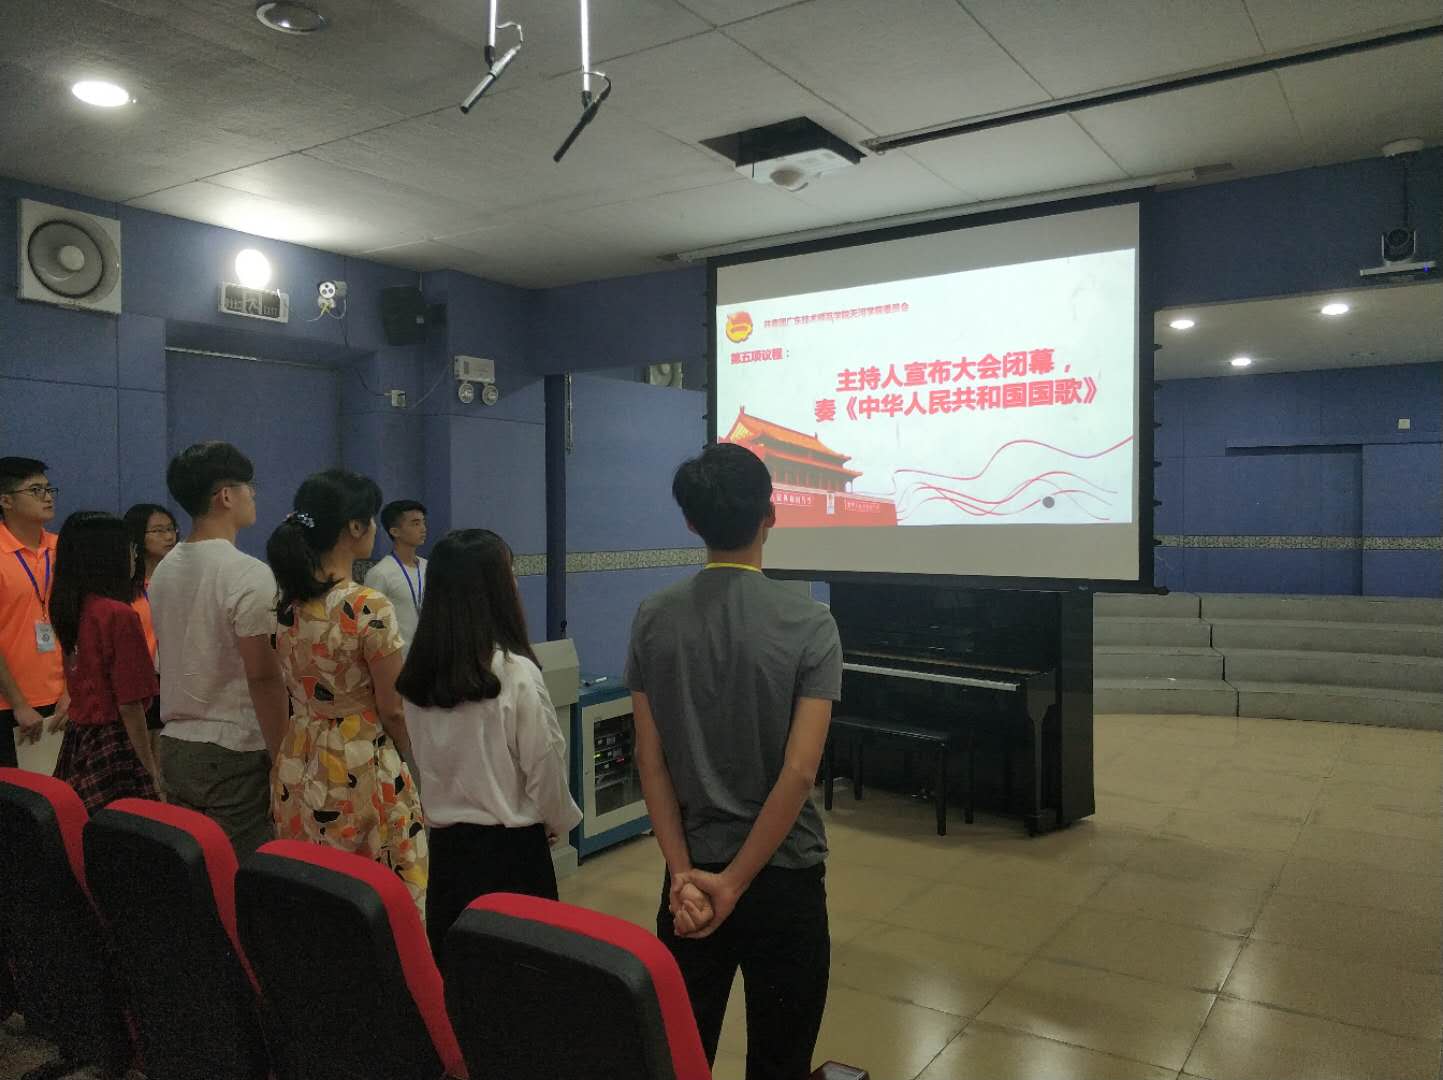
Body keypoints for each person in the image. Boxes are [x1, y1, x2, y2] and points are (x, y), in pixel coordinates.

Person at [625, 442, 841, 1080]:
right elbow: (799, 773)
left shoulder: (652, 618)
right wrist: (738, 883)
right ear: (770, 514)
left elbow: (650, 761)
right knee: (780, 1057)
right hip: (785, 877)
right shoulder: (812, 624)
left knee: (681, 1058)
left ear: (691, 523)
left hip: (690, 882)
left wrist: (683, 875)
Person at [398, 529, 581, 960]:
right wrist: (555, 818)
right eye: (510, 574)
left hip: (446, 858)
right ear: (495, 590)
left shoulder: (417, 676)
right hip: (511, 857)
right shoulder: (515, 673)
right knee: (523, 980)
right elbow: (544, 765)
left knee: (459, 979)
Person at [266, 470, 427, 912]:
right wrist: (416, 763)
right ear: (354, 527)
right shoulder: (366, 606)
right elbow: (392, 709)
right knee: (383, 896)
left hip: (299, 756)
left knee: (316, 895)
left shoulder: (285, 605)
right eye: (371, 518)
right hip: (359, 759)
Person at [149, 443, 287, 858]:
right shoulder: (247, 572)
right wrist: (282, 756)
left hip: (176, 742)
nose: (253, 495)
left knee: (194, 870)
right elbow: (263, 676)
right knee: (241, 872)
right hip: (234, 748)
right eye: (249, 487)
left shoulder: (165, 569)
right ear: (226, 496)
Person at [49, 512, 162, 812]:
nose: (134, 557)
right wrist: (150, 769)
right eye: (130, 549)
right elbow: (130, 704)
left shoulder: (74, 605)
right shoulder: (117, 614)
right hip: (115, 742)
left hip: (80, 738)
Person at [0, 457, 68, 769]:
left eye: (49, 489)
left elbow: (77, 624)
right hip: (10, 705)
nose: (48, 497)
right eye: (36, 490)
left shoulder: (62, 549)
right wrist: (18, 703)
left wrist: (71, 691)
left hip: (62, 701)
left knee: (62, 792)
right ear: (6, 501)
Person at [123, 503, 178, 731]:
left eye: (171, 529)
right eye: (158, 530)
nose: (169, 536)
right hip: (139, 681)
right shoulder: (123, 588)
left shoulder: (180, 581)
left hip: (177, 678)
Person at [363, 500, 428, 654]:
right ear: (395, 531)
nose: (423, 528)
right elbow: (370, 623)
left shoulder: (429, 567)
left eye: (423, 522)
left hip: (430, 656)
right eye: (415, 523)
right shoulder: (380, 573)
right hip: (398, 658)